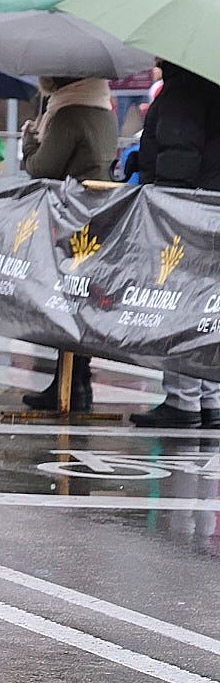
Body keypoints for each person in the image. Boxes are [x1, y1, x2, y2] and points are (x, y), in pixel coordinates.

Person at [13, 74, 118, 411]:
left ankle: (69, 385)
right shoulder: (102, 107)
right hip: (97, 213)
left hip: (71, 215)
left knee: (66, 298)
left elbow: (43, 168)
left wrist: (30, 141)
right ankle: (78, 383)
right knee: (81, 298)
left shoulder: (69, 111)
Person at [127, 62, 220, 427]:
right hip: (211, 207)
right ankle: (211, 398)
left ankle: (182, 401)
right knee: (209, 305)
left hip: (186, 214)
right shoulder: (211, 85)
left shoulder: (184, 92)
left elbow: (177, 163)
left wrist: (158, 200)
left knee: (180, 303)